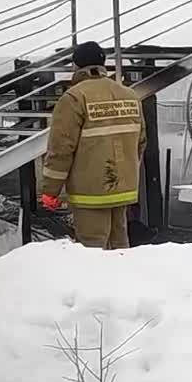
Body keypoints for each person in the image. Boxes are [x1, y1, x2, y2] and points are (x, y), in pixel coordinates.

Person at [40, 41, 146, 249]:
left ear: (76, 66)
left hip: (91, 192)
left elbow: (61, 150)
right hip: (123, 189)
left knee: (92, 251)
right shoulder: (130, 96)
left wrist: (50, 190)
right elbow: (140, 142)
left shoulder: (74, 98)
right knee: (120, 247)